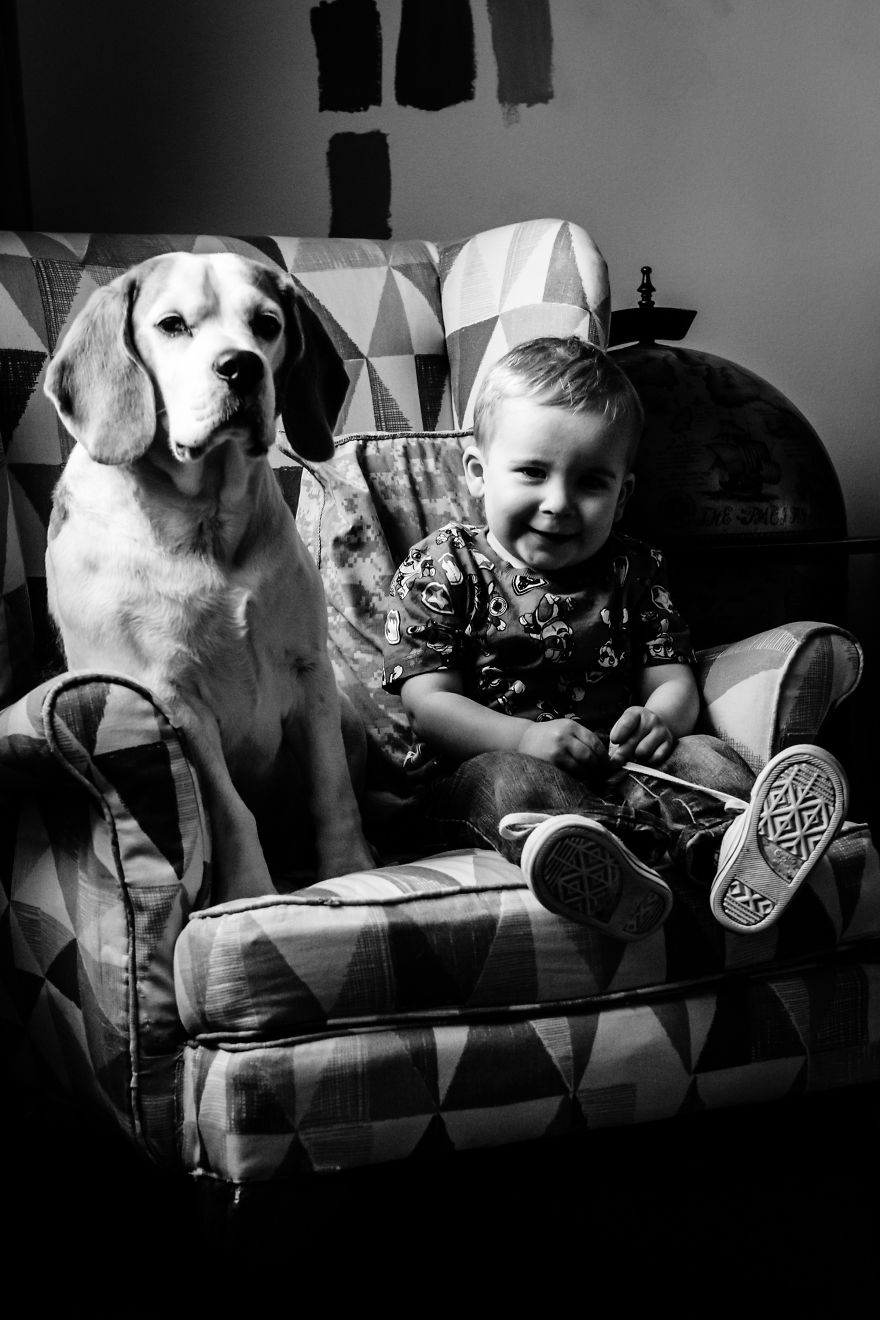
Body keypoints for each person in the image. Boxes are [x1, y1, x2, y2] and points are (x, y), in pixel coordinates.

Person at [381, 336, 848, 941]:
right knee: (513, 783)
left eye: (591, 483)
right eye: (531, 472)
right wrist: (524, 736)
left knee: (705, 755)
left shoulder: (632, 570)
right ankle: (604, 863)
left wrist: (659, 720)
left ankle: (733, 851)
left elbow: (672, 679)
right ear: (477, 473)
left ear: (622, 495)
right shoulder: (443, 566)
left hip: (617, 767)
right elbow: (428, 705)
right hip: (480, 772)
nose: (558, 503)